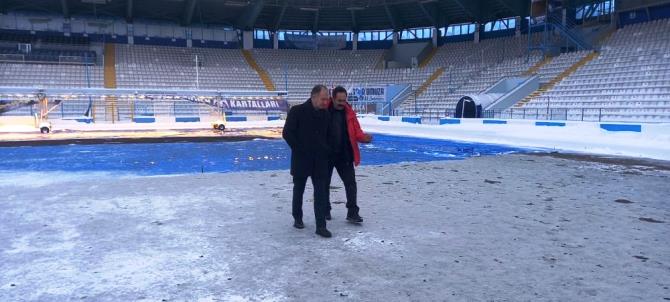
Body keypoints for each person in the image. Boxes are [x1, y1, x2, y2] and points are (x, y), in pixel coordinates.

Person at [282, 85, 333, 238]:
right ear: (314, 97)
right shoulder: (297, 111)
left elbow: (329, 135)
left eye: (327, 99)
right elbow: (287, 133)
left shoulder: (326, 114)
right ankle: (297, 217)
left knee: (321, 193)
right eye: (323, 99)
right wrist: (299, 149)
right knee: (299, 190)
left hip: (320, 161)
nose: (326, 102)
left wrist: (327, 150)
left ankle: (321, 226)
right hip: (301, 160)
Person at [326, 86, 372, 223]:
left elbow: (356, 130)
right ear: (333, 98)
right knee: (323, 184)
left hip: (345, 154)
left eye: (344, 100)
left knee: (351, 184)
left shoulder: (349, 112)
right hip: (326, 155)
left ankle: (352, 212)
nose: (342, 103)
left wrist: (363, 138)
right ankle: (324, 210)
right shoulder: (323, 111)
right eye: (339, 100)